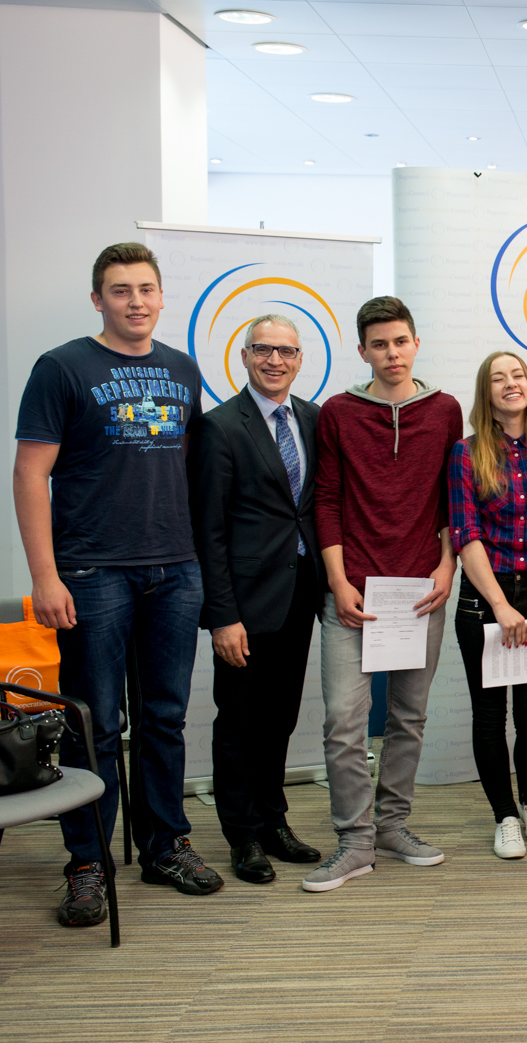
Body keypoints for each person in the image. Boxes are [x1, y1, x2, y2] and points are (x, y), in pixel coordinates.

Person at [15, 241, 219, 925]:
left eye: (145, 289)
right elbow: (29, 474)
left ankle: (166, 844)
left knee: (164, 717)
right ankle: (86, 863)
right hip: (92, 573)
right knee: (94, 726)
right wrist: (45, 575)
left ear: (162, 298)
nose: (135, 300)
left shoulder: (182, 369)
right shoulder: (62, 367)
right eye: (119, 289)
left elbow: (183, 467)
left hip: (174, 568)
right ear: (97, 298)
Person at [305, 296, 462, 892]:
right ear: (363, 350)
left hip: (421, 589)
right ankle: (355, 839)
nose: (391, 354)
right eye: (379, 344)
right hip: (353, 590)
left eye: (400, 341)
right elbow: (326, 499)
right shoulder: (338, 412)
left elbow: (453, 500)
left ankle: (393, 825)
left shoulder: (445, 410)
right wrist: (338, 582)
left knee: (408, 717)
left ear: (415, 342)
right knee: (345, 722)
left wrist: (447, 568)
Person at [189, 314, 325, 885]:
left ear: (300, 360)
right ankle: (242, 837)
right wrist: (222, 616)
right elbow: (209, 530)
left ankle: (274, 822)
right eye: (264, 350)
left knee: (280, 718)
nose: (276, 360)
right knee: (240, 723)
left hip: (300, 594)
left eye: (287, 352)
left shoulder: (315, 420)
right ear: (244, 357)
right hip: (244, 605)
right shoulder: (220, 427)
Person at [448, 351, 527, 859]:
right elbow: (465, 534)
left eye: (517, 375)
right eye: (498, 378)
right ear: (487, 392)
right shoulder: (466, 453)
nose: (510, 384)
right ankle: (504, 816)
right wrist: (501, 605)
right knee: (488, 717)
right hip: (485, 603)